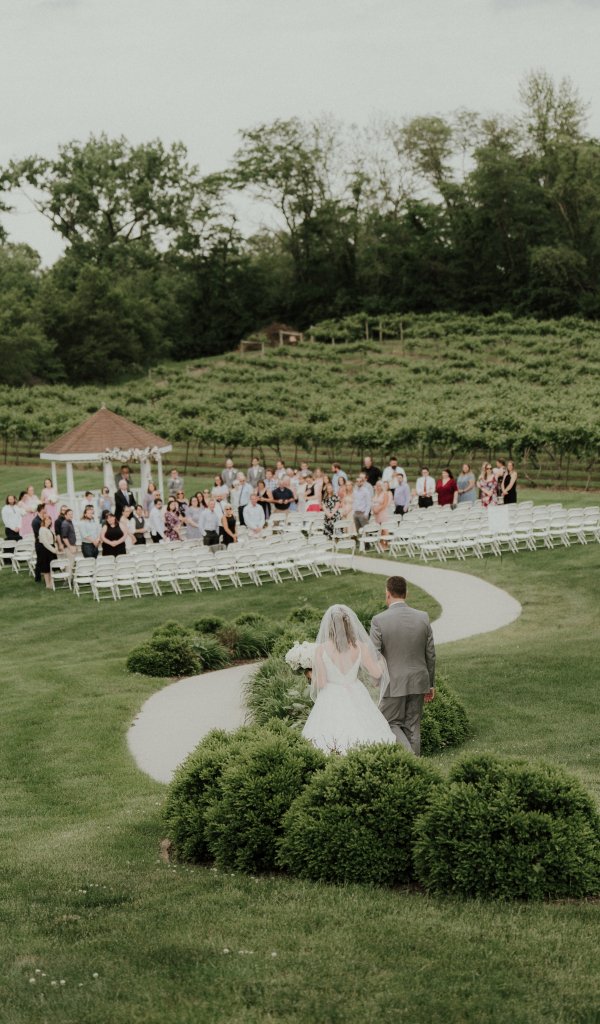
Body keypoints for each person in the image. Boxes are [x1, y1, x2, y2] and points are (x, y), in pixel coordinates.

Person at [301, 605, 396, 754]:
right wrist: (382, 662)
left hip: (331, 695)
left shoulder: (321, 650)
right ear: (350, 624)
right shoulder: (360, 647)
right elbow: (376, 673)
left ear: (329, 626)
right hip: (356, 691)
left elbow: (321, 682)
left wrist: (309, 674)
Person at [370, 576, 435, 756]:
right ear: (406, 593)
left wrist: (376, 679)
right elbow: (430, 654)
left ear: (388, 593)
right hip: (418, 680)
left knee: (388, 722)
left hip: (393, 683)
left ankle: (411, 760)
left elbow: (374, 654)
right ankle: (417, 766)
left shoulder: (378, 620)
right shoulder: (423, 617)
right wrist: (430, 684)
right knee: (413, 726)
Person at [37, 513, 58, 589]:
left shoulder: (48, 529)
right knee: (46, 567)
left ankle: (51, 582)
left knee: (51, 567)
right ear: (44, 521)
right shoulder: (42, 529)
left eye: (50, 519)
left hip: (51, 548)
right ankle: (48, 584)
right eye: (47, 519)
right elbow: (45, 542)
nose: (49, 521)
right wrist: (53, 550)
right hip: (45, 550)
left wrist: (55, 547)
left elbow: (53, 540)